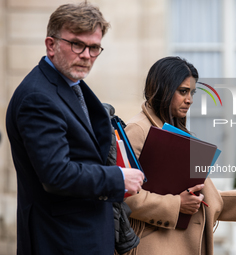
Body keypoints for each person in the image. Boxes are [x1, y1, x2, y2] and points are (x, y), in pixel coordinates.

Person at [6, 2, 144, 255]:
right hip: (60, 240)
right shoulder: (37, 97)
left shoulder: (68, 83)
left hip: (81, 235)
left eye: (94, 48)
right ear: (51, 44)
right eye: (77, 44)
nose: (86, 55)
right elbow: (56, 173)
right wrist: (118, 178)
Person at [122, 56, 236, 255]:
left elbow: (196, 196)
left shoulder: (178, 132)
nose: (189, 100)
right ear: (163, 89)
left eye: (191, 92)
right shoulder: (137, 130)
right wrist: (176, 204)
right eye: (182, 91)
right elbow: (122, 195)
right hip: (153, 246)